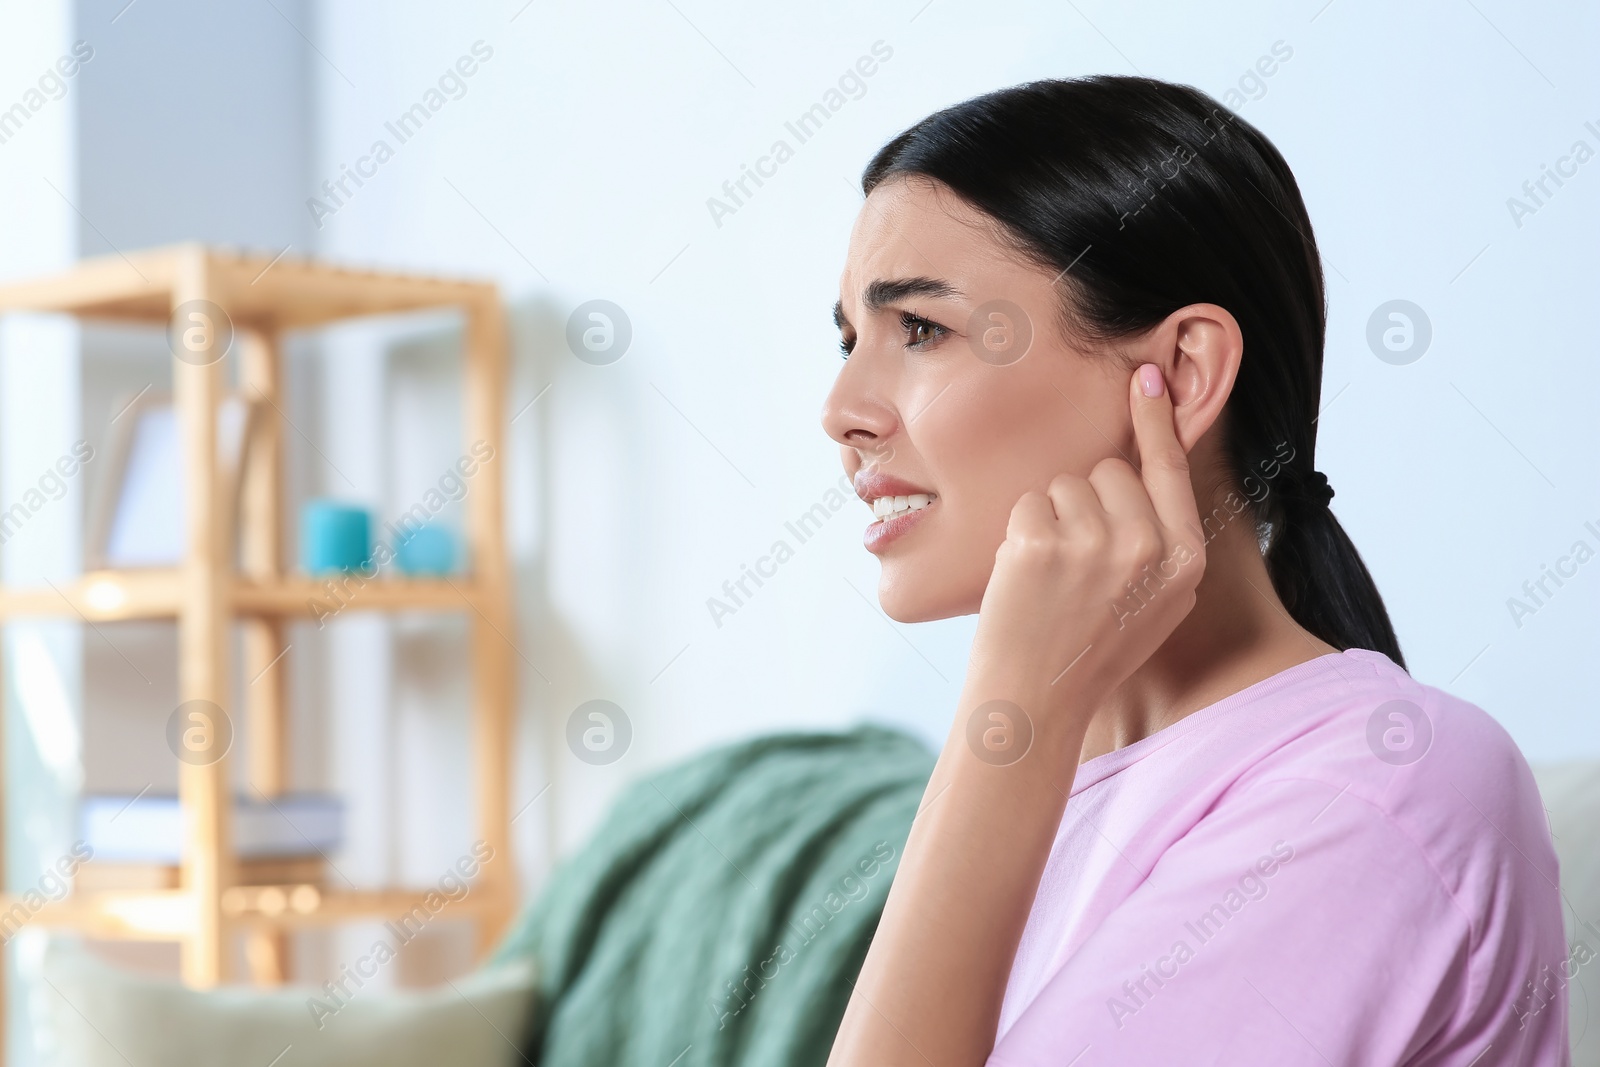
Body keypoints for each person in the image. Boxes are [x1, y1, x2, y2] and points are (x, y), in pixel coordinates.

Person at [820, 75, 1570, 1066]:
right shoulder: (1036, 789)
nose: (841, 408)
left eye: (920, 328)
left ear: (1178, 375)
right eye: (846, 338)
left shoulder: (1386, 784)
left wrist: (1013, 708)